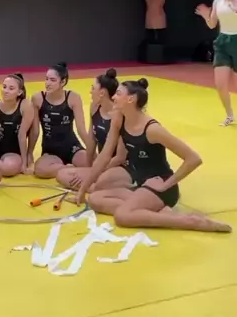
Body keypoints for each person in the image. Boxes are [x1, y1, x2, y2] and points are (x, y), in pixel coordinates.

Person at [75, 79, 231, 232]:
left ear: (131, 99)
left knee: (122, 216)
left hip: (160, 187)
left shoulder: (152, 129)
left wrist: (166, 185)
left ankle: (191, 221)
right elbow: (104, 156)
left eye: (118, 93)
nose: (114, 97)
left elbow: (193, 159)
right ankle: (154, 211)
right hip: (141, 185)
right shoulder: (120, 120)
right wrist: (83, 190)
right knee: (94, 199)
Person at [56, 68, 131, 192]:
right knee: (62, 174)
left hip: (120, 167)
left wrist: (94, 172)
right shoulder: (94, 107)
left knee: (99, 179)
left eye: (93, 88)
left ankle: (101, 187)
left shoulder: (120, 116)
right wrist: (88, 168)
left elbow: (119, 158)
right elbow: (91, 141)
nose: (90, 92)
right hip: (102, 163)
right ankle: (97, 187)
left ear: (102, 93)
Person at [28, 62, 89, 178]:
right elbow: (35, 131)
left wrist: (92, 152)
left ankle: (67, 169)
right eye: (46, 79)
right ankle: (69, 169)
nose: (47, 83)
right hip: (50, 151)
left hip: (72, 147)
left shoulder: (73, 98)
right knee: (40, 170)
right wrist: (29, 153)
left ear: (63, 82)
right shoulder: (38, 98)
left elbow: (81, 130)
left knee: (92, 163)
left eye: (52, 80)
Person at [195, 0, 237, 126]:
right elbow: (212, 24)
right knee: (220, 84)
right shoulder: (218, 1)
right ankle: (229, 115)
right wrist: (205, 15)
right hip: (222, 42)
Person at [0, 73, 34, 176]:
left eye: (11, 88)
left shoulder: (25, 106)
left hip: (13, 152)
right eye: (4, 87)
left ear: (19, 92)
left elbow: (22, 135)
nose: (6, 91)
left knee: (8, 169)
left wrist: (24, 163)